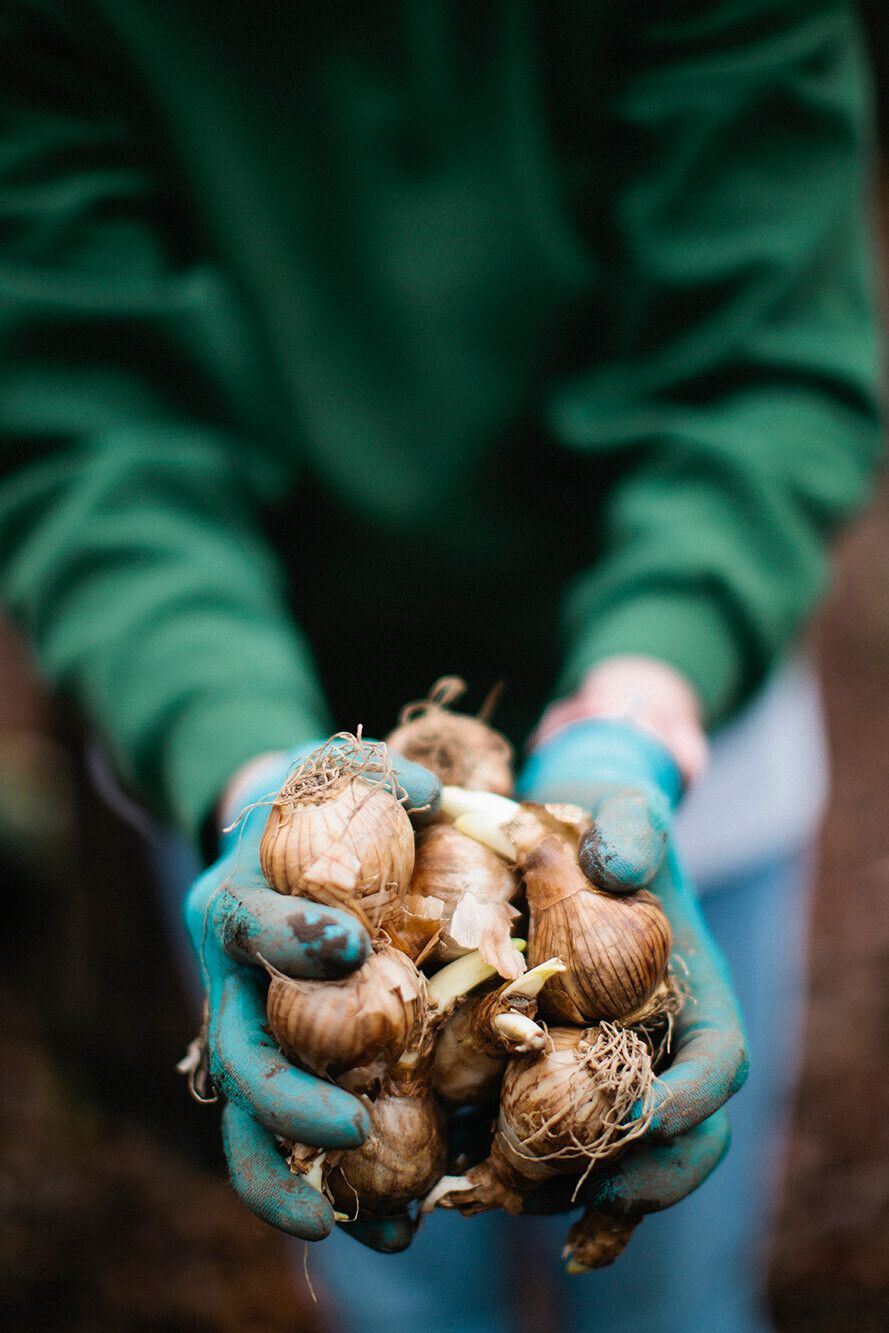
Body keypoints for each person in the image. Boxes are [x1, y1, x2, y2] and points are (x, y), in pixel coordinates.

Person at [0, 2, 882, 1330]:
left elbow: (758, 362)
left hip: (670, 707)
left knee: (674, 1280)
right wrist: (243, 758)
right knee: (385, 1236)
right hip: (279, 741)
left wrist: (643, 696)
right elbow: (89, 423)